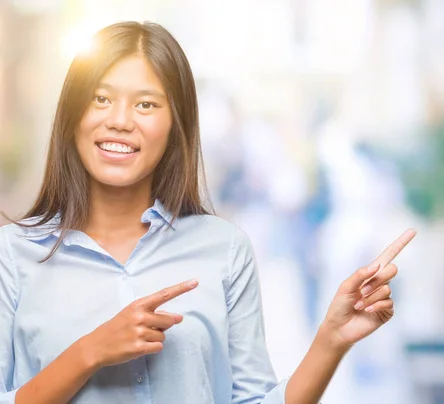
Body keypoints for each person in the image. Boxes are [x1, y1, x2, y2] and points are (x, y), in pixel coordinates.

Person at [0, 21, 416, 404]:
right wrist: (88, 353)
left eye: (146, 105)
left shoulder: (223, 249)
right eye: (101, 99)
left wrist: (332, 339)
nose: (120, 121)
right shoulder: (12, 256)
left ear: (175, 125)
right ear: (73, 114)